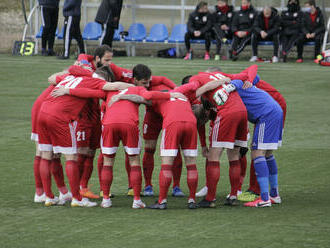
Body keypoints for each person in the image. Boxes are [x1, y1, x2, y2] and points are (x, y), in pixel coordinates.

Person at [38, 66, 131, 207]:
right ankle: (77, 199)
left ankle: (49, 197)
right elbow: (115, 85)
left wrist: (69, 76)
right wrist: (134, 87)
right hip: (60, 116)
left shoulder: (69, 77)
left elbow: (51, 78)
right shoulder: (94, 81)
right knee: (72, 158)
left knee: (46, 155)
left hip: (43, 112)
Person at [100, 64, 185, 208]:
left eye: (148, 82)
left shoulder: (111, 88)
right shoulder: (138, 89)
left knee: (108, 161)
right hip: (135, 121)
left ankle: (105, 199)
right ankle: (139, 197)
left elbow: (95, 92)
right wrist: (172, 94)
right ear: (135, 80)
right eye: (144, 82)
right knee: (136, 159)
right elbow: (148, 98)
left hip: (109, 123)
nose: (148, 85)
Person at [227, 79, 283, 207]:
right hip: (274, 111)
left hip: (266, 115)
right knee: (268, 154)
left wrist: (228, 87)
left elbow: (244, 78)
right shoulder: (239, 82)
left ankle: (264, 199)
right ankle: (274, 195)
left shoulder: (233, 84)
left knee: (257, 153)